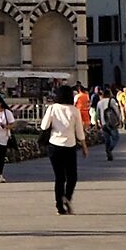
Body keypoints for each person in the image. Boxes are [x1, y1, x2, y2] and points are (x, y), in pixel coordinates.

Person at [40, 85, 86, 215]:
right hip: (70, 146)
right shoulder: (74, 110)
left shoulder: (52, 108)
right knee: (72, 176)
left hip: (54, 145)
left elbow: (44, 126)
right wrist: (84, 146)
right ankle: (67, 196)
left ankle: (59, 206)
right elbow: (79, 131)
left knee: (59, 177)